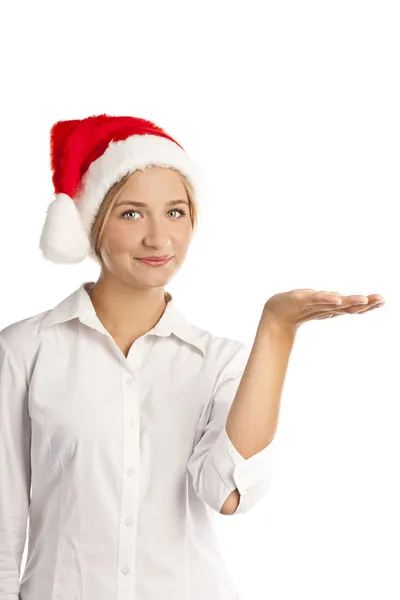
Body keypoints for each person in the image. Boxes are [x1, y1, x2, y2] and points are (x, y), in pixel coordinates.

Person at [0, 113, 276, 600]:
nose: (158, 238)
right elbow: (2, 520)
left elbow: (228, 495)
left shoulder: (220, 363)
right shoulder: (24, 351)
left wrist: (277, 331)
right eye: (132, 213)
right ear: (93, 224)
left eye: (175, 212)